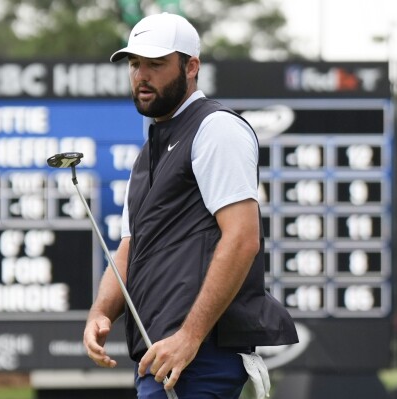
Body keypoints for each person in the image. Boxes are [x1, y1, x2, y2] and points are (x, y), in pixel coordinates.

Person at [83, 12, 298, 399]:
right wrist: (101, 311)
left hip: (198, 355)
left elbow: (243, 238)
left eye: (156, 64)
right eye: (135, 65)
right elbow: (130, 249)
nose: (141, 75)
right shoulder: (148, 152)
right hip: (163, 356)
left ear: (191, 66)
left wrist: (189, 336)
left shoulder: (216, 128)